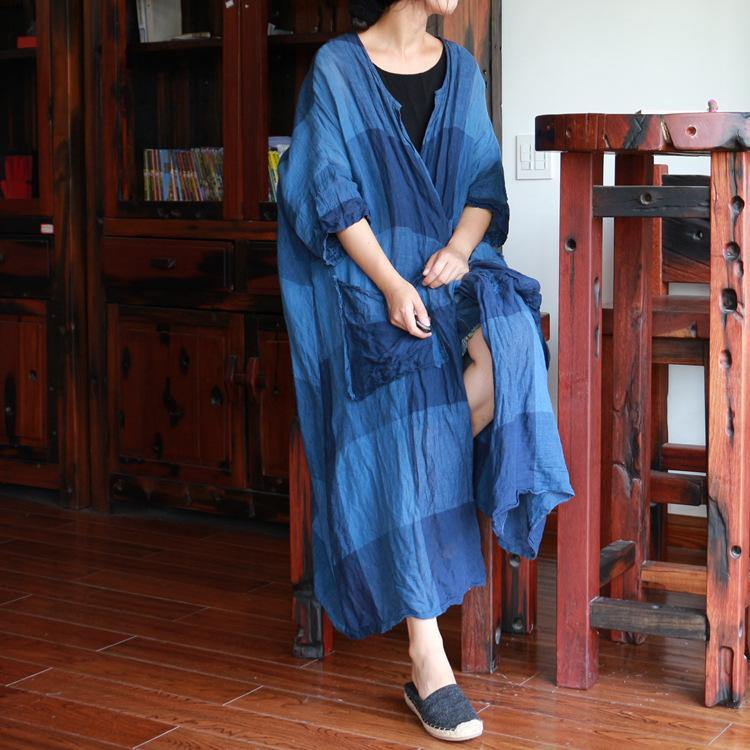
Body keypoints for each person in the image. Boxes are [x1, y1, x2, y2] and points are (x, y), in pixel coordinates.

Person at [276, 0, 575, 741]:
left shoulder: (463, 70)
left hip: (451, 270)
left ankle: (416, 491)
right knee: (407, 400)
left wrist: (461, 253)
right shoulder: (337, 70)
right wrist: (390, 284)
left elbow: (482, 189)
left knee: (513, 349)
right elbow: (327, 196)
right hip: (365, 279)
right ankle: (426, 657)